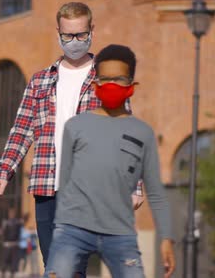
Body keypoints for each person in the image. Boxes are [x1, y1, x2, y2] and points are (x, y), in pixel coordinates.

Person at [0, 2, 144, 270]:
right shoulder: (40, 82)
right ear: (58, 33)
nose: (74, 42)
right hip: (46, 187)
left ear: (92, 30)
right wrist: (4, 171)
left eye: (81, 35)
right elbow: (22, 130)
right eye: (68, 36)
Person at [45, 45, 175, 278]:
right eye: (105, 79)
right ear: (95, 85)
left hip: (120, 234)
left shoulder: (143, 132)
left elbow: (156, 192)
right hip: (73, 230)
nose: (111, 84)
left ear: (132, 85)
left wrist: (166, 238)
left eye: (119, 79)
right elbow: (63, 183)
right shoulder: (75, 126)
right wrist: (61, 233)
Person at [0, 208, 23, 278]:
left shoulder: (18, 222)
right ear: (9, 214)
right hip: (7, 244)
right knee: (5, 259)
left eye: (13, 213)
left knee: (14, 260)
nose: (11, 214)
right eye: (10, 213)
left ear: (15, 214)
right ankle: (3, 272)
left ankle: (12, 274)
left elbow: (20, 231)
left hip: (15, 244)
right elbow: (3, 232)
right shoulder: (6, 222)